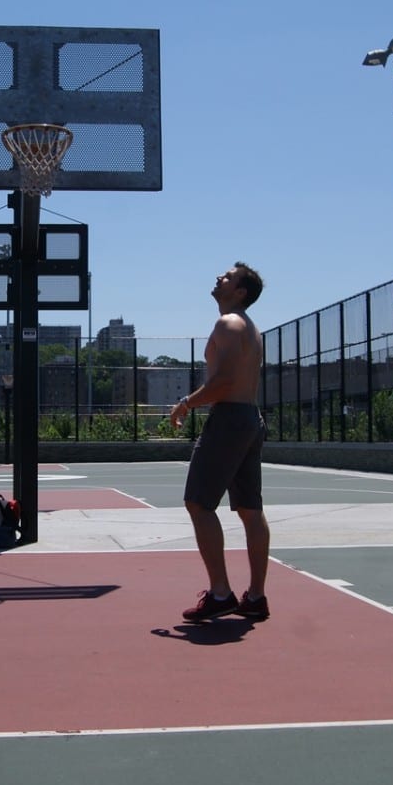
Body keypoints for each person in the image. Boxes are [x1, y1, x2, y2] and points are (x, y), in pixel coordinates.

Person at [170, 262, 270, 623]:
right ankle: (255, 597)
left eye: (227, 277)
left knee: (198, 503)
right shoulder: (250, 328)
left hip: (229, 419)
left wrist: (186, 402)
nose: (219, 278)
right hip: (249, 418)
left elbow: (224, 381)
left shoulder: (229, 324)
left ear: (240, 291)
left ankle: (221, 594)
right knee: (250, 510)